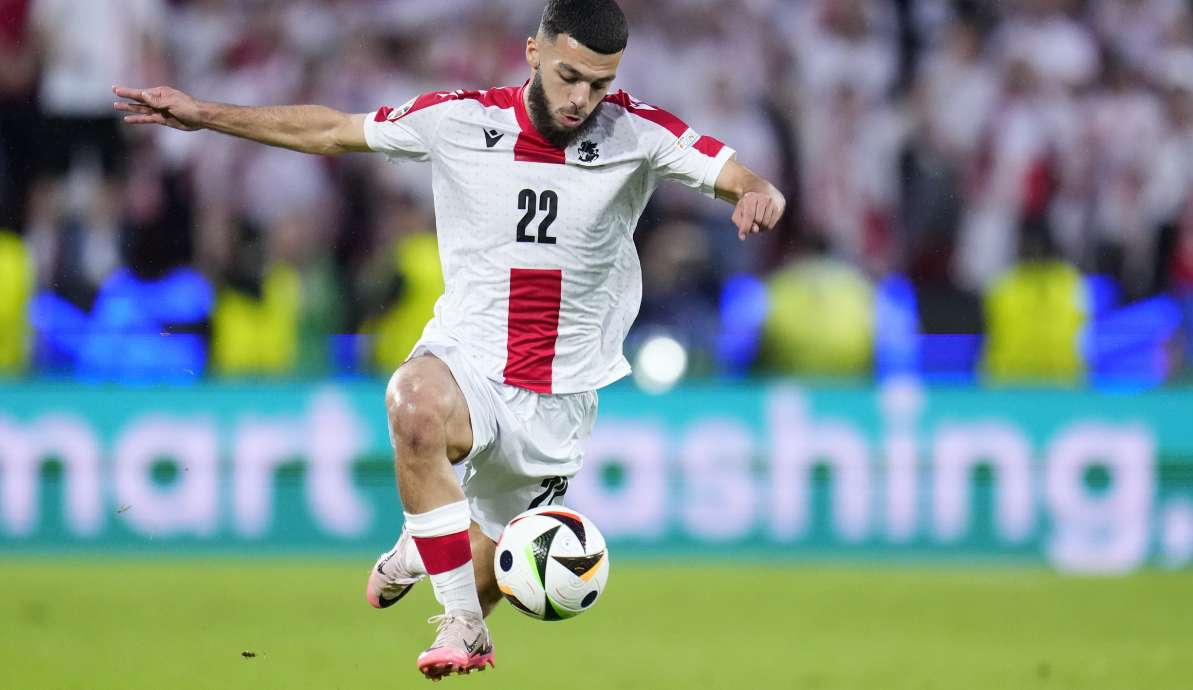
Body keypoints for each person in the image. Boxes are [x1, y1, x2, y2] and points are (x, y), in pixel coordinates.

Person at [114, 0, 784, 680]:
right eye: (570, 76)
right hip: (467, 361)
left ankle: (418, 550)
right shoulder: (460, 119)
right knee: (413, 406)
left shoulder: (639, 132)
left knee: (497, 573)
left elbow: (734, 173)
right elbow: (332, 131)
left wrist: (757, 193)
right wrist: (204, 114)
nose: (583, 98)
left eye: (600, 83)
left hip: (557, 397)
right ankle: (461, 624)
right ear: (533, 52)